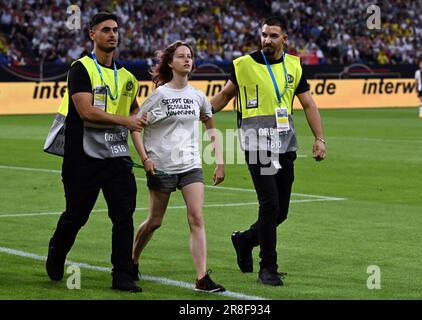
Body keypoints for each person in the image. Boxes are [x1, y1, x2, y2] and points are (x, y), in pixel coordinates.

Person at [208, 16, 326, 286]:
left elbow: (308, 104)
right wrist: (199, 111)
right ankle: (267, 268)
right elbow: (225, 95)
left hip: (284, 144)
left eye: (273, 36)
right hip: (256, 144)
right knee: (270, 204)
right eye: (264, 35)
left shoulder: (294, 65)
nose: (267, 40)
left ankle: (245, 240)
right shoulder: (244, 65)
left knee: (280, 212)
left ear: (284, 39)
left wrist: (320, 138)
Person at [45, 12, 147, 292]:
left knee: (123, 216)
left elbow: (135, 109)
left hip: (116, 158)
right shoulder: (81, 69)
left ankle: (122, 274)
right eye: (105, 30)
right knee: (76, 215)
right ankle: (57, 251)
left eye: (115, 30)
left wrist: (152, 117)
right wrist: (127, 120)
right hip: (83, 159)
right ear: (92, 34)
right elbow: (86, 111)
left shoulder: (126, 77)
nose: (112, 34)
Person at [130, 40, 226, 293]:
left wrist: (219, 161)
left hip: (191, 166)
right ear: (170, 63)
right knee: (155, 221)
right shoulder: (159, 96)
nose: (187, 60)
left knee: (196, 217)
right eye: (182, 56)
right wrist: (145, 159)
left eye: (190, 56)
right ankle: (132, 260)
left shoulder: (197, 96)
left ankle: (202, 277)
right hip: (161, 165)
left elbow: (210, 125)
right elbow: (136, 127)